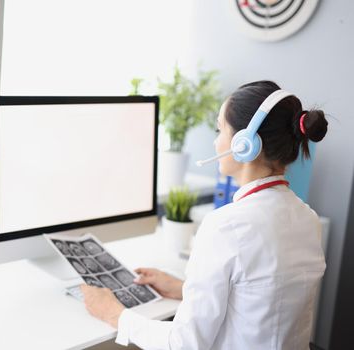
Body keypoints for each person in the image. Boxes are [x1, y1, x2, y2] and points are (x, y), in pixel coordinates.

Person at [80, 80, 328, 349]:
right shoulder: (308, 219)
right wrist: (184, 288)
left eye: (219, 128)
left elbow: (183, 344)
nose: (215, 140)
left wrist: (115, 314)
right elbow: (263, 300)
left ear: (245, 143)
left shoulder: (226, 226)